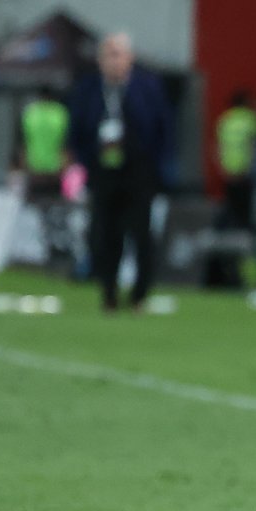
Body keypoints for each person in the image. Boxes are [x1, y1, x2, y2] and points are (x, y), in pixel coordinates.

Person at [67, 32, 175, 312]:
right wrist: (86, 162)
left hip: (139, 172)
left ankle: (139, 294)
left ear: (130, 58)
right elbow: (77, 130)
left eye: (118, 54)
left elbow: (163, 128)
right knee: (105, 233)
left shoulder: (146, 87)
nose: (113, 61)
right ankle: (109, 292)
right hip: (104, 171)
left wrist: (157, 168)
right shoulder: (90, 89)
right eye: (108, 55)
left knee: (140, 234)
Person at [215, 89, 256, 234]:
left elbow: (219, 145)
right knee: (246, 207)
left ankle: (227, 230)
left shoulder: (225, 120)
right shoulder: (251, 119)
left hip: (228, 168)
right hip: (246, 169)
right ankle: (245, 232)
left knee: (231, 203)